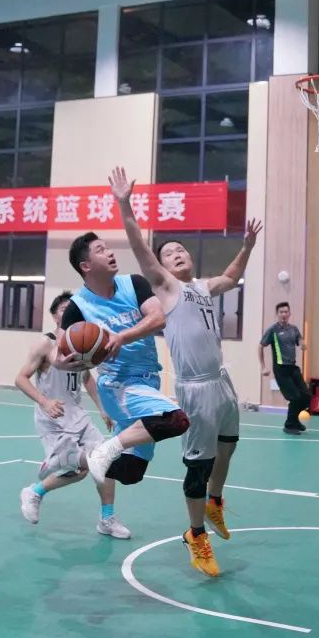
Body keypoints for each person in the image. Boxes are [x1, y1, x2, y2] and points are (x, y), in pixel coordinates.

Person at [109, 166, 261, 545]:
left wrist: (246, 246)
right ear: (162, 267)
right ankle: (195, 534)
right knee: (199, 464)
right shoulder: (166, 288)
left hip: (221, 381)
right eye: (169, 253)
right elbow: (140, 248)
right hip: (195, 389)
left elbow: (231, 277)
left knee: (228, 447)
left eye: (180, 249)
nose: (176, 254)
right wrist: (125, 204)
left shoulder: (202, 287)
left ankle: (215, 502)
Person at [56, 232, 216, 577]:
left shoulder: (134, 284)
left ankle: (74, 458)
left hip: (147, 380)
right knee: (176, 420)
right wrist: (68, 362)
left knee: (131, 473)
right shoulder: (78, 307)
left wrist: (122, 336)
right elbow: (59, 356)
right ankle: (102, 450)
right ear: (86, 265)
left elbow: (158, 319)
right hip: (118, 386)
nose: (110, 253)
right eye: (101, 250)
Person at [15, 291, 128, 538]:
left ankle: (107, 519)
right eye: (64, 309)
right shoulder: (45, 344)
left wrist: (102, 408)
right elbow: (20, 379)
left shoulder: (81, 342)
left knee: (105, 462)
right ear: (55, 316)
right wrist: (44, 402)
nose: (69, 313)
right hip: (53, 419)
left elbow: (86, 378)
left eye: (73, 309)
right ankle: (35, 491)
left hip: (78, 416)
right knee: (84, 467)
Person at [259, 302, 311, 435]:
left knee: (306, 396)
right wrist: (263, 367)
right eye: (281, 312)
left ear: (289, 313)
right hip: (281, 369)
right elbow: (260, 346)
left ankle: (295, 421)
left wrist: (302, 344)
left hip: (293, 367)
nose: (284, 314)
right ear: (277, 314)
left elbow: (299, 339)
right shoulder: (273, 330)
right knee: (295, 397)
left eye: (286, 312)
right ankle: (289, 426)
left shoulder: (293, 329)